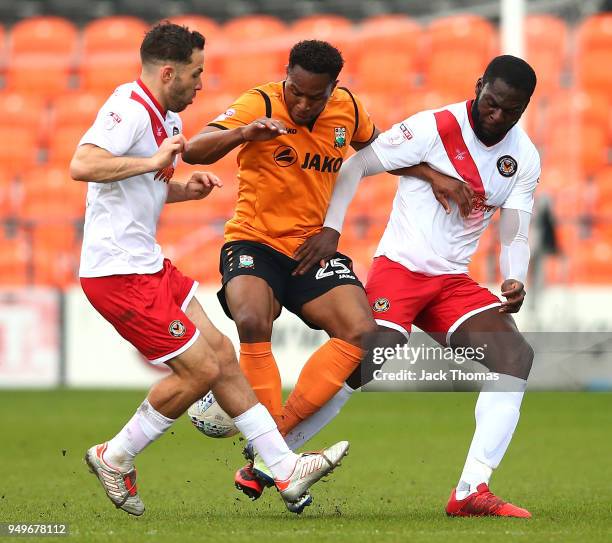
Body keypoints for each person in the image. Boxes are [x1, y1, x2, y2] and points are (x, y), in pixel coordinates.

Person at [69, 22, 349, 517]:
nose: (201, 84)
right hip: (117, 273)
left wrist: (180, 188)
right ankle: (115, 455)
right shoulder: (129, 109)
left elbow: (141, 183)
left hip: (148, 265)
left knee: (221, 355)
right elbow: (84, 163)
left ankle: (283, 469)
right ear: (169, 71)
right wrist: (151, 162)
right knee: (199, 370)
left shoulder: (169, 121)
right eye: (196, 74)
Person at [182, 39, 473, 501]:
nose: (300, 102)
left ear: (333, 88)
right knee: (253, 319)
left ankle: (271, 446)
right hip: (253, 241)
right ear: (286, 76)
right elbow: (194, 151)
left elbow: (382, 150)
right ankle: (280, 458)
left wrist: (435, 176)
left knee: (363, 333)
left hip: (310, 248)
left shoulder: (348, 111)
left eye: (312, 96)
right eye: (294, 90)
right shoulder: (258, 102)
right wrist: (243, 134)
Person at [283, 55, 541, 518]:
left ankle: (471, 490)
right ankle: (274, 452)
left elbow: (516, 227)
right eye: (491, 104)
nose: (497, 117)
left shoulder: (523, 156)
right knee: (368, 357)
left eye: (512, 111)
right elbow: (355, 165)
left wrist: (514, 275)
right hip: (400, 268)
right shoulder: (433, 126)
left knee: (515, 357)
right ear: (478, 85)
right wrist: (332, 230)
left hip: (451, 282)